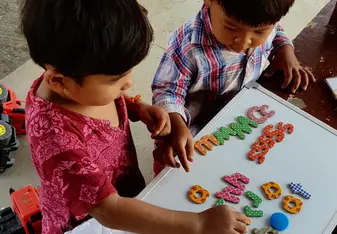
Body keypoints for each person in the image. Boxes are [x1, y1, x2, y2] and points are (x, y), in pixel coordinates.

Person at [22, 0, 250, 233]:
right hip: (90, 222)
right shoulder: (55, 138)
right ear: (59, 81)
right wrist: (199, 224)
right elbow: (108, 210)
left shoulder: (80, 80)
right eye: (117, 79)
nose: (129, 82)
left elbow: (105, 97)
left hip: (124, 184)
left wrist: (135, 107)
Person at [152, 0, 316, 173]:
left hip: (238, 125)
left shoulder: (262, 20)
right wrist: (175, 124)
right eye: (231, 27)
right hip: (190, 135)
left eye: (259, 32)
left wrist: (284, 49)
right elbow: (167, 91)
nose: (244, 42)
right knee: (173, 174)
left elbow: (276, 30)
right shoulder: (188, 45)